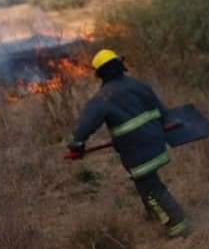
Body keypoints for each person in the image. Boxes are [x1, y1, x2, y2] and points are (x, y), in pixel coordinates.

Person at [67, 49, 190, 238]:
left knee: (151, 188)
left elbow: (84, 127)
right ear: (119, 65)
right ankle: (153, 215)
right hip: (157, 144)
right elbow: (162, 111)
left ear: (100, 74)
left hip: (136, 152)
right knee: (143, 183)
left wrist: (76, 145)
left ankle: (179, 227)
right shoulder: (138, 85)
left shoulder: (103, 98)